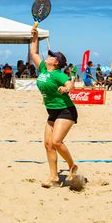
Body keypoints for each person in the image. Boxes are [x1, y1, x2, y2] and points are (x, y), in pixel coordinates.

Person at [30, 27, 78, 189]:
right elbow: (34, 54)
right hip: (52, 111)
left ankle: (72, 166)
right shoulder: (43, 68)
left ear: (56, 62)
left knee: (56, 141)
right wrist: (35, 37)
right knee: (48, 144)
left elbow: (69, 82)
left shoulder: (58, 74)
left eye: (51, 56)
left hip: (66, 110)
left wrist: (66, 89)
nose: (48, 56)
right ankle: (54, 177)